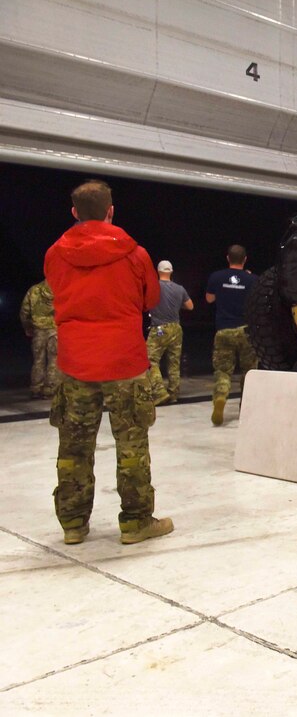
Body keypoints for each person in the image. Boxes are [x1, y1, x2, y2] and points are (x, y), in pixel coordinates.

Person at [44, 179, 174, 545]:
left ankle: (72, 524)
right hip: (124, 361)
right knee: (131, 443)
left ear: (74, 213)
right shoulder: (135, 254)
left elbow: (57, 291)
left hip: (75, 362)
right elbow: (150, 299)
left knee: (73, 445)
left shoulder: (55, 253)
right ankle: (136, 523)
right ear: (111, 210)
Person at [205, 244, 258, 426]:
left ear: (228, 258)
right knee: (249, 371)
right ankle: (246, 409)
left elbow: (209, 299)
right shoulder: (253, 280)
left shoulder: (216, 277)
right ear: (245, 260)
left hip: (223, 330)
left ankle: (220, 397)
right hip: (246, 331)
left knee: (222, 370)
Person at [146, 260, 194, 405]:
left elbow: (144, 303)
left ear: (158, 271)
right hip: (176, 328)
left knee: (149, 360)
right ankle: (173, 394)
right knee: (174, 362)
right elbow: (190, 306)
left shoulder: (153, 287)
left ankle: (159, 391)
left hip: (159, 328)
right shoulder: (180, 288)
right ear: (171, 272)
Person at [19, 279, 59, 399]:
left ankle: (36, 388)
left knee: (38, 360)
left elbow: (24, 312)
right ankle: (49, 389)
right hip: (55, 330)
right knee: (54, 360)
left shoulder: (34, 290)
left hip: (38, 330)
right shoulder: (60, 289)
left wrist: (28, 327)